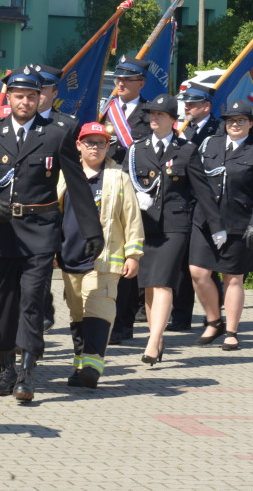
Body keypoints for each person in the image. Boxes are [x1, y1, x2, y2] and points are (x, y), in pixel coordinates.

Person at [0, 68, 103, 401]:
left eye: (31, 96)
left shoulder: (57, 132)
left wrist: (92, 230)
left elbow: (77, 183)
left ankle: (27, 371)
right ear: (9, 97)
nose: (25, 102)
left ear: (40, 98)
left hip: (40, 230)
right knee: (2, 302)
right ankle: (6, 368)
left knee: (31, 300)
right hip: (1, 231)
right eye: (19, 96)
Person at [128, 93, 223, 363]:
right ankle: (156, 339)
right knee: (149, 286)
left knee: (162, 282)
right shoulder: (137, 149)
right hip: (145, 226)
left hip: (175, 226)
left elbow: (202, 191)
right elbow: (125, 183)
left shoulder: (186, 150)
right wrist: (135, 198)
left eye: (160, 114)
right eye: (152, 114)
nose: (154, 118)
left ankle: (152, 341)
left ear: (173, 119)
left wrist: (217, 226)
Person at [57, 122, 143, 388]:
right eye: (89, 142)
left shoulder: (118, 177)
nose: (95, 148)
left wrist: (133, 253)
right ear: (78, 145)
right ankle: (79, 366)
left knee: (98, 307)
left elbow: (131, 216)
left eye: (101, 143)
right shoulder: (64, 175)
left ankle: (93, 366)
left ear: (108, 146)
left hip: (104, 258)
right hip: (70, 255)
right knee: (77, 313)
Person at [190, 100, 253, 349]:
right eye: (230, 120)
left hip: (238, 223)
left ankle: (231, 331)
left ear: (251, 124)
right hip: (205, 220)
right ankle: (214, 321)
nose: (234, 124)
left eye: (240, 120)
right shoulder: (210, 144)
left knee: (232, 278)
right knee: (198, 272)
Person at [168, 83, 223, 332]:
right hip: (183, 202)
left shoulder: (219, 130)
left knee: (207, 263)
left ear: (206, 106)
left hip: (208, 203)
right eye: (186, 103)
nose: (187, 107)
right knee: (181, 262)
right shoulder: (182, 130)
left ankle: (214, 314)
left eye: (192, 104)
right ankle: (181, 317)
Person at [106, 55, 152, 344]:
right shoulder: (106, 110)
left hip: (133, 193)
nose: (120, 83)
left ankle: (123, 323)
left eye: (127, 79)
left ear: (141, 83)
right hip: (104, 189)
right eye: (118, 79)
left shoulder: (150, 114)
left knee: (127, 261)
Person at [32, 62, 80, 332]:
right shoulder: (12, 122)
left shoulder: (67, 125)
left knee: (47, 261)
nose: (37, 94)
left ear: (54, 92)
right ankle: (41, 308)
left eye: (43, 89)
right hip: (27, 205)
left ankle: (46, 307)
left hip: (57, 201)